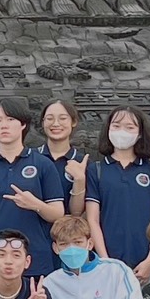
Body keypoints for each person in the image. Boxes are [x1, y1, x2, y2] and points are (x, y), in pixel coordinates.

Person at [0, 98, 71, 276]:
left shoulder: (43, 164)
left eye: (10, 119)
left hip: (35, 257)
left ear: (23, 124)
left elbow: (58, 214)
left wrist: (35, 204)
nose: (4, 125)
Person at [88, 107, 150, 273]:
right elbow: (92, 219)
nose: (122, 132)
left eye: (130, 127)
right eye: (116, 126)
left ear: (140, 133)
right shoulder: (96, 170)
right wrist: (106, 261)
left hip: (146, 260)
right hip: (107, 261)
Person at [36, 95, 100, 239]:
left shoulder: (84, 162)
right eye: (49, 118)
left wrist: (79, 180)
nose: (56, 123)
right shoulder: (31, 158)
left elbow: (77, 213)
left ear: (73, 122)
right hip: (34, 233)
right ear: (43, 122)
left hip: (68, 239)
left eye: (63, 118)